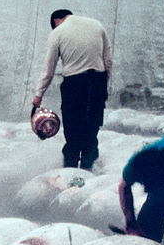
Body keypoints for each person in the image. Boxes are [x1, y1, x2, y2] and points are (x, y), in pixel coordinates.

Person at [32, 9, 112, 170]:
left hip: (74, 84)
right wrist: (104, 84)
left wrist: (39, 95)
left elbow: (49, 68)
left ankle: (71, 167)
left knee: (73, 127)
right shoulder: (97, 25)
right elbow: (108, 59)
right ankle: (88, 167)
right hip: (97, 80)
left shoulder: (58, 32)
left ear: (56, 21)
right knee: (92, 125)